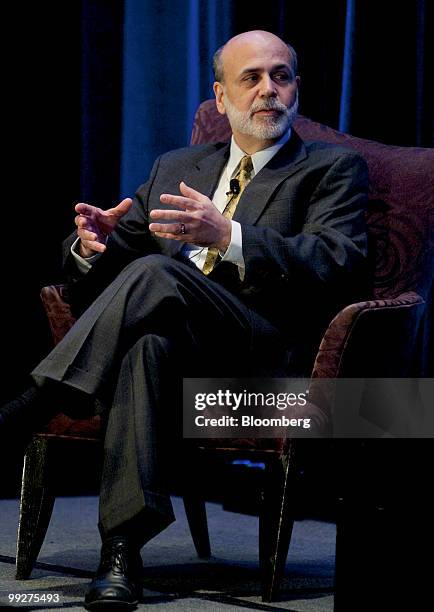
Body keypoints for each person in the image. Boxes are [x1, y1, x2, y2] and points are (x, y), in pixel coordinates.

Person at [1, 30, 369, 610]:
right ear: (220, 98)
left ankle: (38, 399)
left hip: (262, 353)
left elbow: (339, 261)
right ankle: (119, 554)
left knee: (157, 275)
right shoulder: (179, 166)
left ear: (297, 90)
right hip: (178, 345)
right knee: (145, 342)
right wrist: (88, 244)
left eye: (281, 76)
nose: (269, 91)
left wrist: (232, 237)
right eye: (251, 79)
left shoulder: (330, 168)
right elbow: (110, 271)